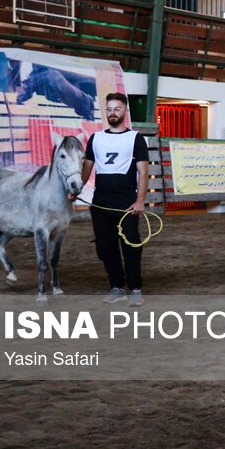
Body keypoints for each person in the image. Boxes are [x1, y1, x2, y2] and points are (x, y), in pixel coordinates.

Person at [82, 92, 150, 306]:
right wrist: (75, 190)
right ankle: (117, 286)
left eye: (117, 109)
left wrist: (140, 200)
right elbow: (87, 168)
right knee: (106, 247)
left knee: (131, 245)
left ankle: (135, 288)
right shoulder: (96, 138)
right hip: (100, 202)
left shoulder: (135, 139)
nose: (112, 113)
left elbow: (143, 172)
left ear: (125, 111)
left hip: (126, 203)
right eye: (109, 109)